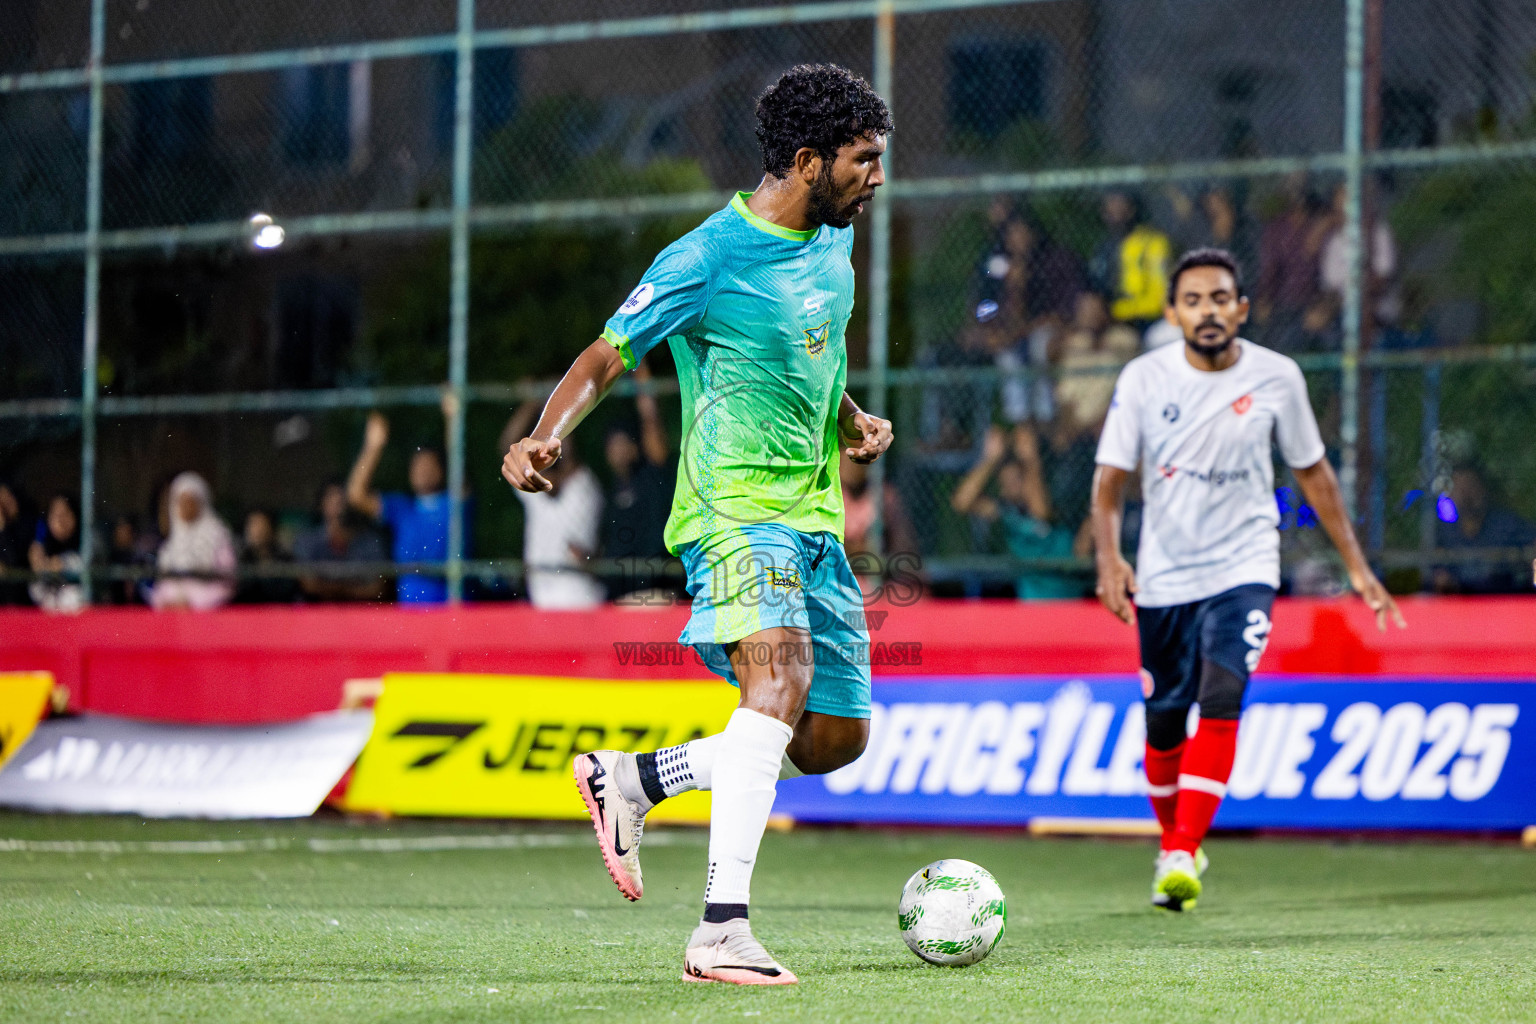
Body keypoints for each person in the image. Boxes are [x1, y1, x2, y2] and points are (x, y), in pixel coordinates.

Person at [501, 63, 893, 985]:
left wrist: (850, 420)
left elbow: (814, 352)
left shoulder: (834, 239)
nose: (876, 176)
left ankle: (634, 781)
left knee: (835, 737)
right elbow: (609, 351)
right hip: (730, 510)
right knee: (781, 676)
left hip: (813, 519)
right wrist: (545, 434)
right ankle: (720, 930)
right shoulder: (707, 257)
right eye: (864, 160)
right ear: (807, 161)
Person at [1091, 247, 1405, 912]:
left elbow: (1313, 473)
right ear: (1174, 312)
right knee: (1165, 722)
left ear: (1242, 308)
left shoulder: (1277, 376)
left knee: (1224, 689)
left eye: (1220, 299)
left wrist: (1356, 565)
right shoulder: (1145, 379)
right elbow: (1110, 482)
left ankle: (1180, 853)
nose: (1209, 311)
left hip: (1245, 565)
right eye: (1195, 301)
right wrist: (1110, 560)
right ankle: (1176, 840)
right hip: (1166, 573)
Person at [347, 405, 469, 605]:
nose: (421, 470)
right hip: (410, 615)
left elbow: (458, 465)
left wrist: (452, 420)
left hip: (452, 612)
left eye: (428, 464)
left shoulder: (455, 503)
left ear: (442, 469)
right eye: (417, 464)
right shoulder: (401, 508)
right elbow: (356, 495)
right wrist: (373, 446)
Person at [952, 425, 1082, 599]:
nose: (1010, 487)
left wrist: (1030, 460)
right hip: (1030, 604)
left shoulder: (1057, 499)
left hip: (1066, 600)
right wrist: (990, 459)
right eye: (1005, 483)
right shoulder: (1007, 511)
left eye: (1016, 480)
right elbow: (961, 502)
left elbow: (1041, 514)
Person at [600, 363, 675, 598]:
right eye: (612, 445)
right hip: (619, 597)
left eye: (623, 443)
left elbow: (650, 418)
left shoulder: (653, 472)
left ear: (636, 447)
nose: (618, 450)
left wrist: (640, 364)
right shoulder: (613, 490)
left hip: (655, 592)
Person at [1430, 465, 1536, 595]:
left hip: (1504, 604)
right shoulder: (1445, 533)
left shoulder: (1507, 525)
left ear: (1483, 489)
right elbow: (1435, 573)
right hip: (1458, 608)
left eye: (1470, 485)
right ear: (1451, 495)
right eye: (1460, 488)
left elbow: (1532, 546)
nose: (1466, 495)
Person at [150, 472, 236, 611]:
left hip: (208, 614)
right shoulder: (171, 542)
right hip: (173, 614)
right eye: (181, 502)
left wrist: (193, 603)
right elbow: (162, 584)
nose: (185, 507)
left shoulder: (218, 536)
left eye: (190, 501)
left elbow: (227, 583)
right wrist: (167, 601)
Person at [1089, 191, 1172, 333]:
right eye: (1110, 204)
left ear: (1132, 208)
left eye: (1120, 203)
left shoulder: (1152, 241)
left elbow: (1160, 292)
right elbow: (1096, 291)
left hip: (1153, 318)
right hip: (1116, 320)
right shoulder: (1103, 248)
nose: (1114, 209)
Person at [293, 482, 389, 602]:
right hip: (317, 612)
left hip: (362, 613)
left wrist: (331, 588)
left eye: (342, 502)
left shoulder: (371, 541)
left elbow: (377, 588)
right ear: (321, 505)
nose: (339, 508)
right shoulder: (307, 541)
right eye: (332, 501)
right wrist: (352, 589)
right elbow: (309, 585)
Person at [28, 493, 84, 612]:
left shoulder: (87, 542)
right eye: (55, 515)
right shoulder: (42, 545)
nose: (60, 521)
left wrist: (62, 564)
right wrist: (39, 568)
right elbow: (36, 593)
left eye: (65, 514)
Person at [236, 509, 298, 604]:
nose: (257, 531)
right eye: (252, 525)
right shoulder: (240, 560)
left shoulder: (285, 559)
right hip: (248, 613)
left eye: (261, 525)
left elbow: (287, 592)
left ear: (271, 529)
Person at [0, 480, 33, 605]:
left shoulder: (28, 527)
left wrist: (3, 529)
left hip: (20, 602)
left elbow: (13, 561)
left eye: (8, 499)